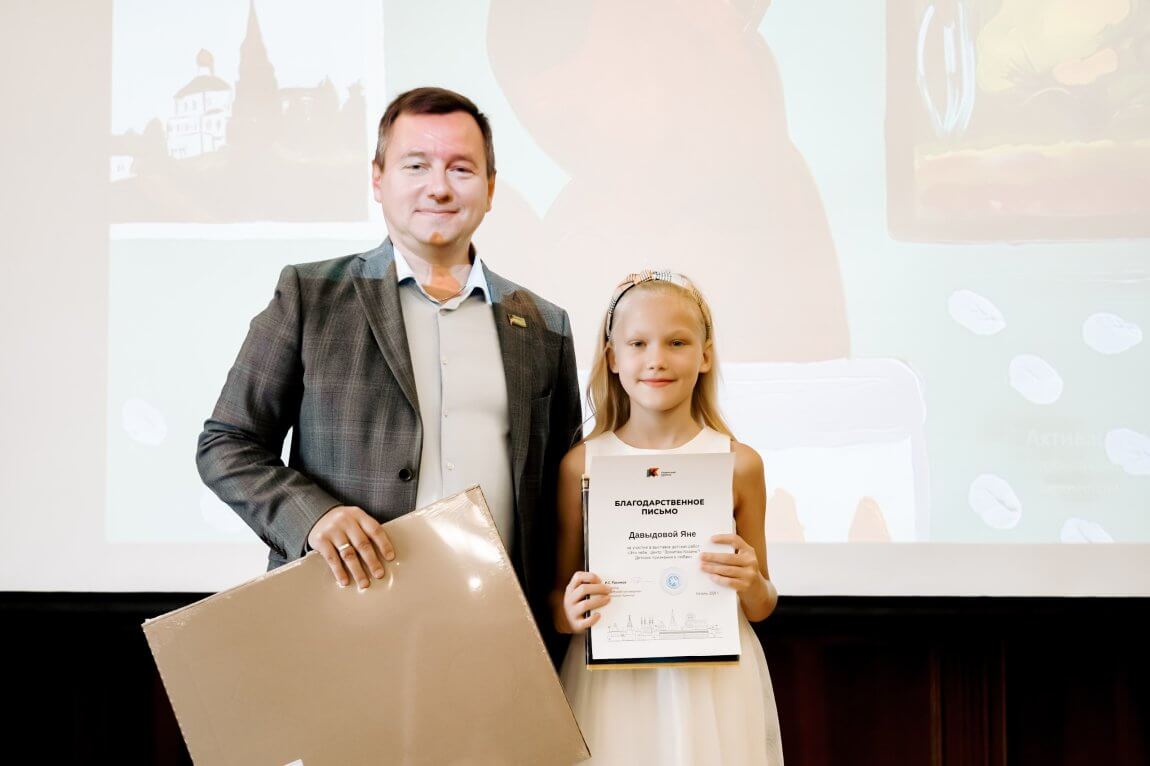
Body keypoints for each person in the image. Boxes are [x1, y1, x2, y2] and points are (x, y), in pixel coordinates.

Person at [197, 87, 582, 659]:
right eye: (416, 166)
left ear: (491, 187)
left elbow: (565, 486)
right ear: (378, 179)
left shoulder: (545, 325)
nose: (439, 187)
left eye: (461, 168)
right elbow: (227, 444)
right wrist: (315, 517)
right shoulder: (310, 296)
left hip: (499, 636)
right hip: (344, 626)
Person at [552, 271, 784, 764]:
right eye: (638, 343)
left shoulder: (740, 463)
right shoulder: (581, 466)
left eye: (677, 342)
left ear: (705, 356)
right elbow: (555, 600)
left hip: (714, 687)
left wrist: (750, 582)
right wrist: (569, 612)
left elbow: (762, 604)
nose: (656, 359)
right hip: (612, 686)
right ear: (612, 358)